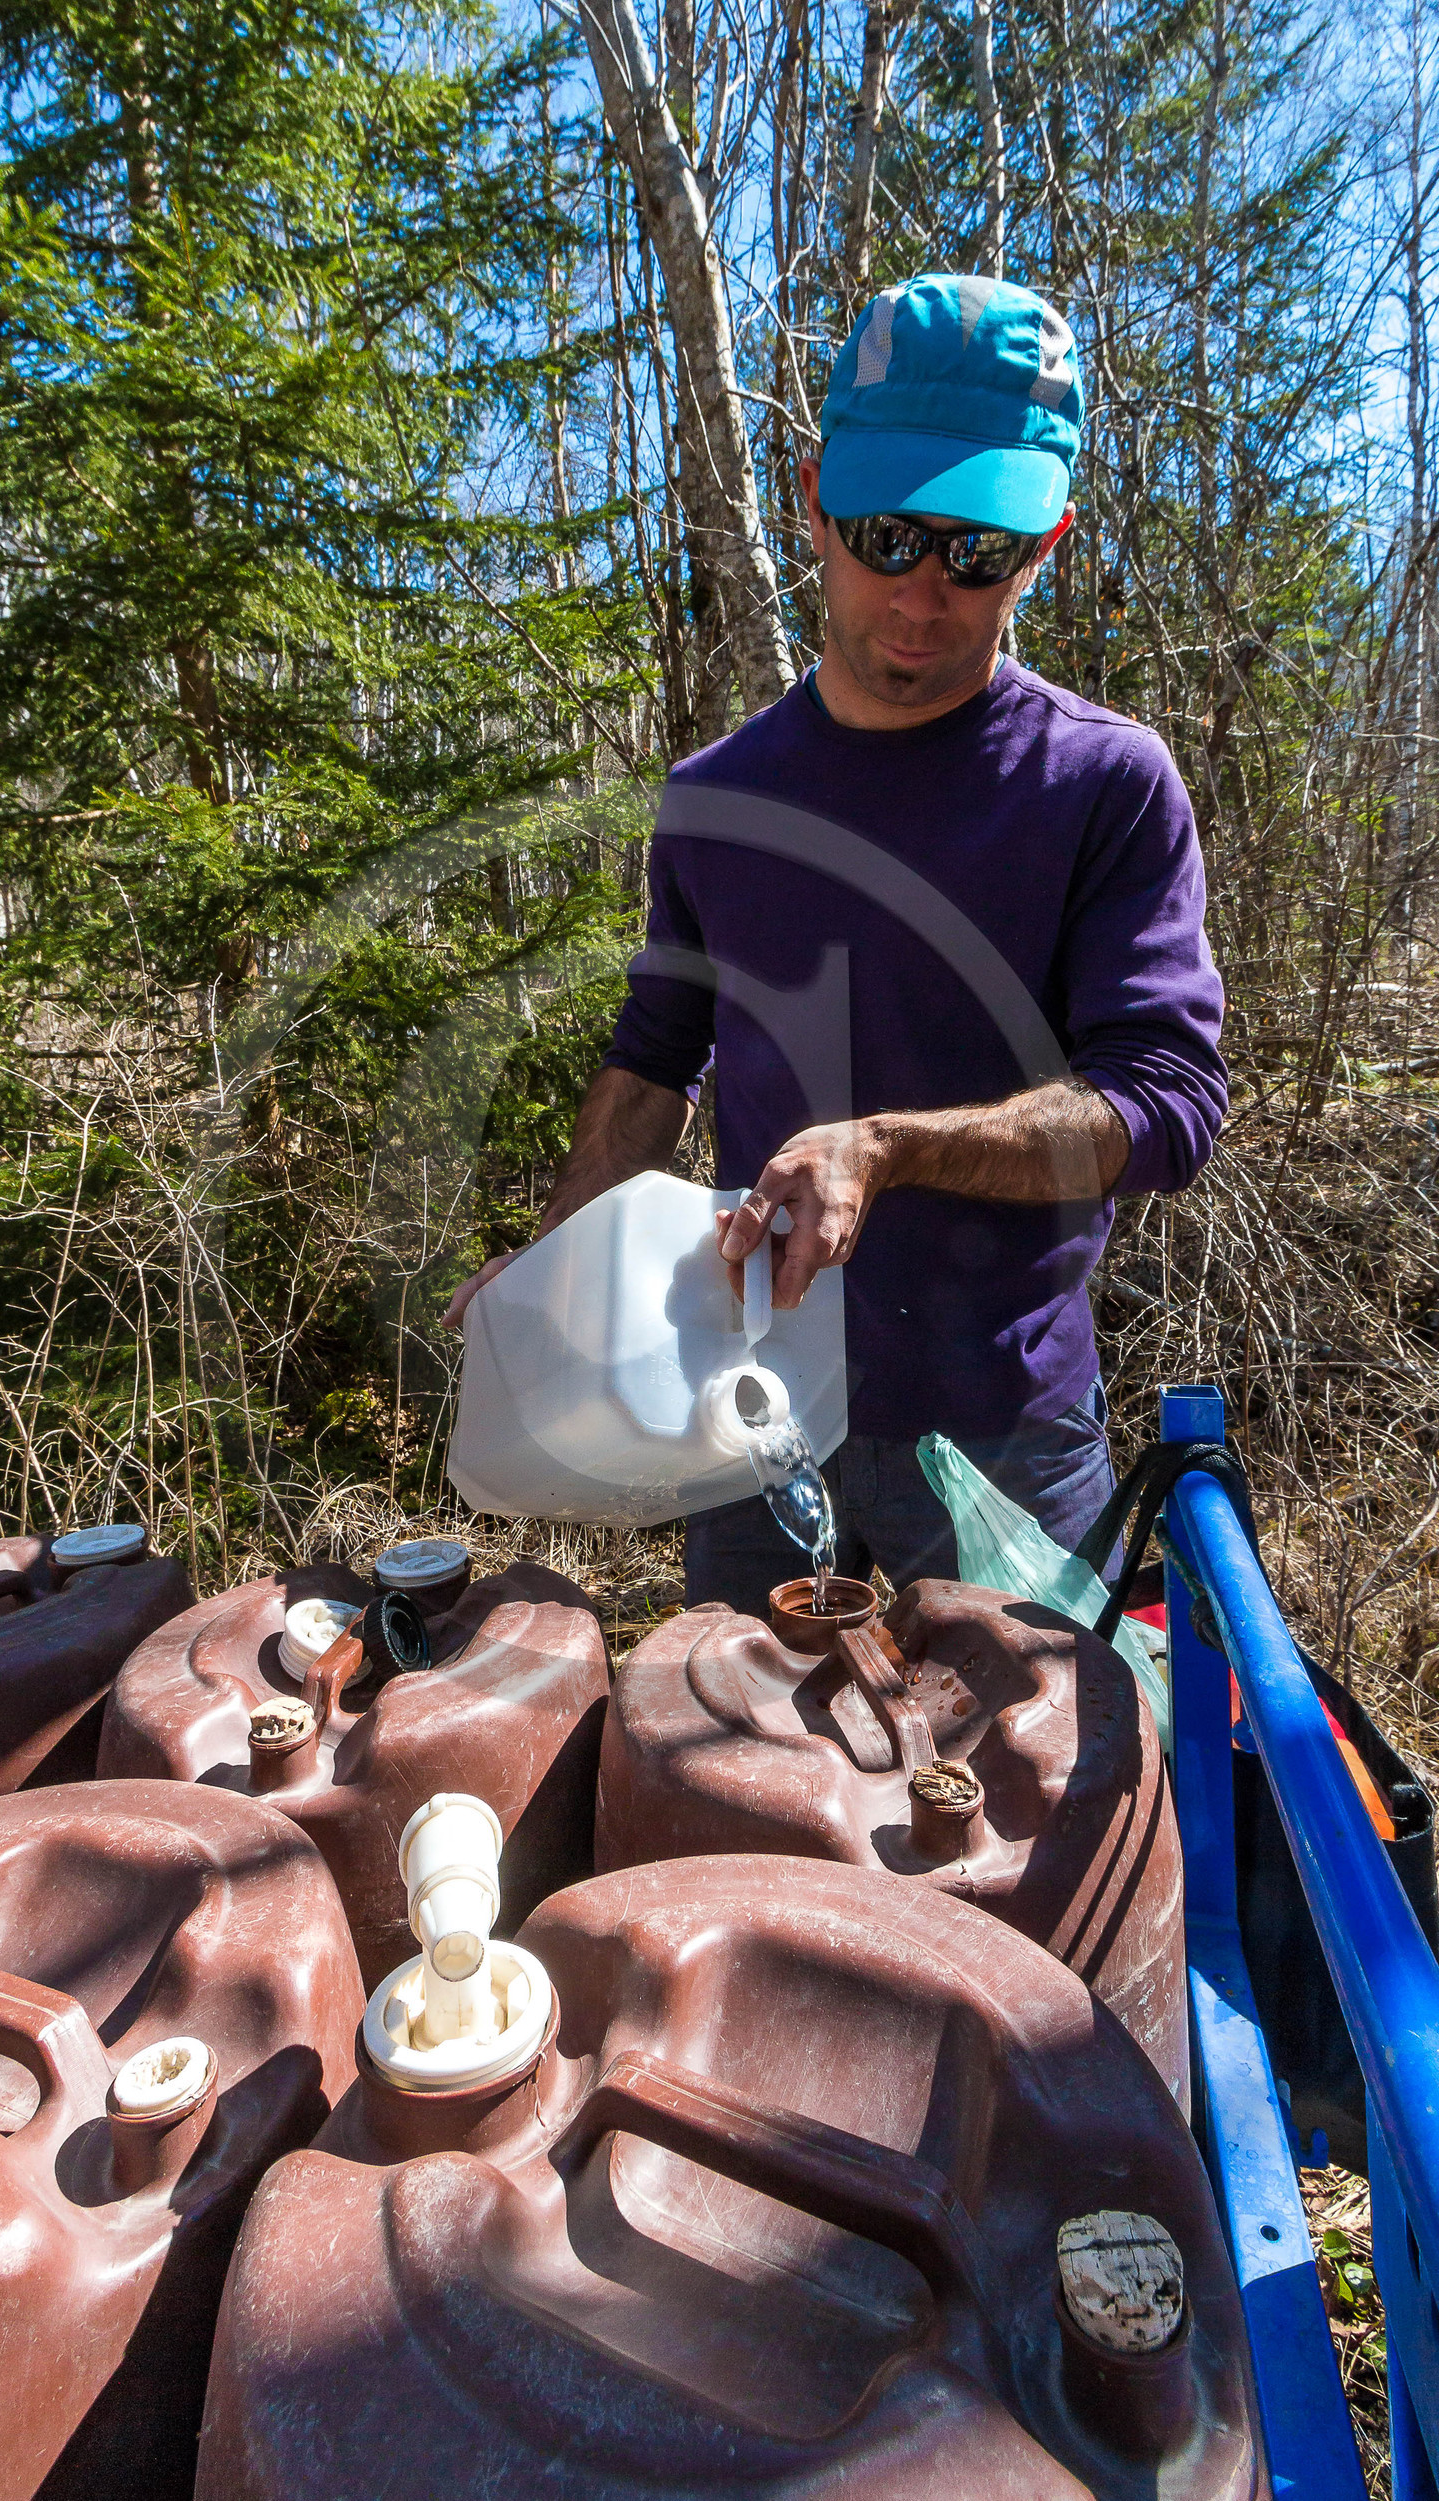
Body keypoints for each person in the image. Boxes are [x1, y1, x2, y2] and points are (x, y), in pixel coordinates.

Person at [445, 271, 1226, 1618]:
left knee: (1027, 1750)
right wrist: (561, 1254)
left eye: (979, 553)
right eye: (887, 534)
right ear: (812, 501)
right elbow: (655, 1055)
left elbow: (1167, 1102)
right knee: (733, 1743)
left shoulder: (1101, 784)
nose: (924, 593)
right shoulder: (719, 798)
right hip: (742, 1406)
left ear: (1045, 544)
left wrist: (891, 1147)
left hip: (1003, 1429)